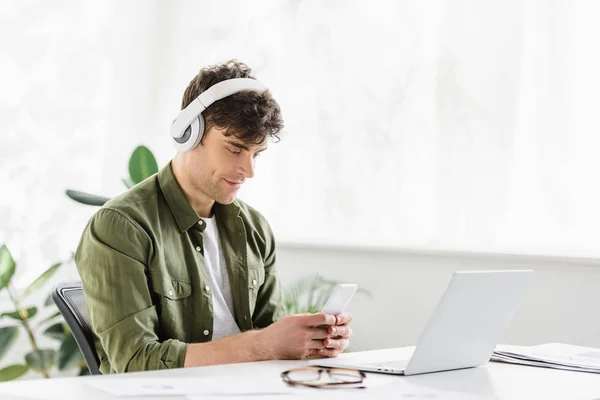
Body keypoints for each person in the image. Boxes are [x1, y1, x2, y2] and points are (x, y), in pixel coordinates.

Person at [75, 60, 353, 373]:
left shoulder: (255, 228)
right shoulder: (122, 227)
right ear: (188, 134)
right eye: (235, 149)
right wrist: (263, 345)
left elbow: (270, 337)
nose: (248, 171)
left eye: (256, 154)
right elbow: (134, 361)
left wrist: (308, 344)